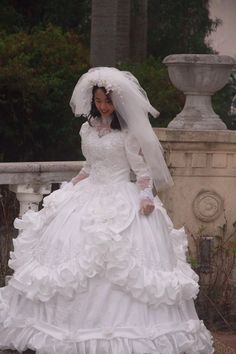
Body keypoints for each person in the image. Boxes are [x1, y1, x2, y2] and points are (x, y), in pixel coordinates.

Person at [0, 67, 214, 354]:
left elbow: (141, 172)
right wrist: (71, 186)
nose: (103, 106)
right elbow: (89, 166)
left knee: (120, 262)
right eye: (99, 100)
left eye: (108, 102)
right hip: (89, 193)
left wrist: (145, 196)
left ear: (119, 103)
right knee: (65, 248)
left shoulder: (127, 133)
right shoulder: (86, 128)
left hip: (120, 198)